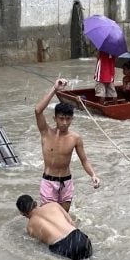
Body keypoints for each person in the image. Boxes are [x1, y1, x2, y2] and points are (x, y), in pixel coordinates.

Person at [35, 78, 100, 213]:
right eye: (61, 118)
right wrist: (54, 89)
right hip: (49, 182)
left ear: (72, 119)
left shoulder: (75, 138)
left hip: (66, 182)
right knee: (51, 218)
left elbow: (84, 160)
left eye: (68, 119)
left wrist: (93, 175)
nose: (64, 122)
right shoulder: (46, 132)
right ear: (55, 118)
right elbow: (38, 110)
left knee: (64, 217)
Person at [16, 194, 93, 260]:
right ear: (35, 203)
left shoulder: (30, 227)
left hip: (64, 248)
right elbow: (72, 224)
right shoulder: (53, 205)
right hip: (81, 240)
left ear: (23, 213)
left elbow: (42, 243)